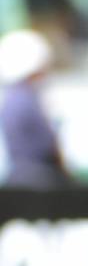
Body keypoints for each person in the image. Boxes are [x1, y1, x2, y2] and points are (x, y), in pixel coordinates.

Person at [0, 29, 69, 188]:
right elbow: (49, 147)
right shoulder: (27, 100)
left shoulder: (12, 99)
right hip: (40, 182)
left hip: (20, 178)